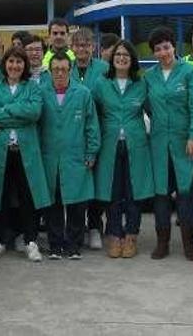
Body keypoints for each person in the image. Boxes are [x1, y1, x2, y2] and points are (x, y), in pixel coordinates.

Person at [0, 47, 52, 262]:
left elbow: (34, 113)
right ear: (5, 64)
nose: (15, 66)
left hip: (26, 150)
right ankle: (0, 240)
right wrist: (17, 112)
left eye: (19, 62)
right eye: (11, 61)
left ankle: (31, 240)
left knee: (28, 195)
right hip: (0, 151)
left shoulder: (33, 87)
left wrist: (6, 111)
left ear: (25, 66)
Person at [144, 26, 193, 261]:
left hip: (185, 143)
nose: (163, 52)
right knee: (160, 194)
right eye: (157, 49)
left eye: (166, 47)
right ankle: (162, 243)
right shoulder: (149, 76)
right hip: (159, 142)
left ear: (174, 47)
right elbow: (146, 106)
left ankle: (189, 243)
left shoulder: (189, 72)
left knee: (185, 193)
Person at [92, 40, 154, 258]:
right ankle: (115, 235)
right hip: (109, 145)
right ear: (112, 58)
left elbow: (154, 111)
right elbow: (92, 114)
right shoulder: (101, 84)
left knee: (134, 193)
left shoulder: (141, 83)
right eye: (118, 54)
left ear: (132, 60)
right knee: (113, 193)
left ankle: (131, 235)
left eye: (126, 55)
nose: (121, 58)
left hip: (135, 145)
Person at [39, 52, 100, 259]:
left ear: (70, 69)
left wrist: (92, 151)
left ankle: (74, 245)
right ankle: (55, 245)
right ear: (49, 71)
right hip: (50, 157)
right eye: (55, 69)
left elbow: (91, 126)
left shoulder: (83, 93)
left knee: (77, 202)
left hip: (76, 156)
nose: (59, 73)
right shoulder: (41, 92)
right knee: (53, 203)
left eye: (63, 69)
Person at [69, 27, 109, 249]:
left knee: (95, 182)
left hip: (98, 131)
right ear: (72, 48)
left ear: (93, 47)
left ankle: (95, 226)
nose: (82, 49)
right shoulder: (66, 69)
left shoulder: (104, 69)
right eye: (77, 45)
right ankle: (77, 227)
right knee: (77, 182)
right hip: (72, 134)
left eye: (86, 45)